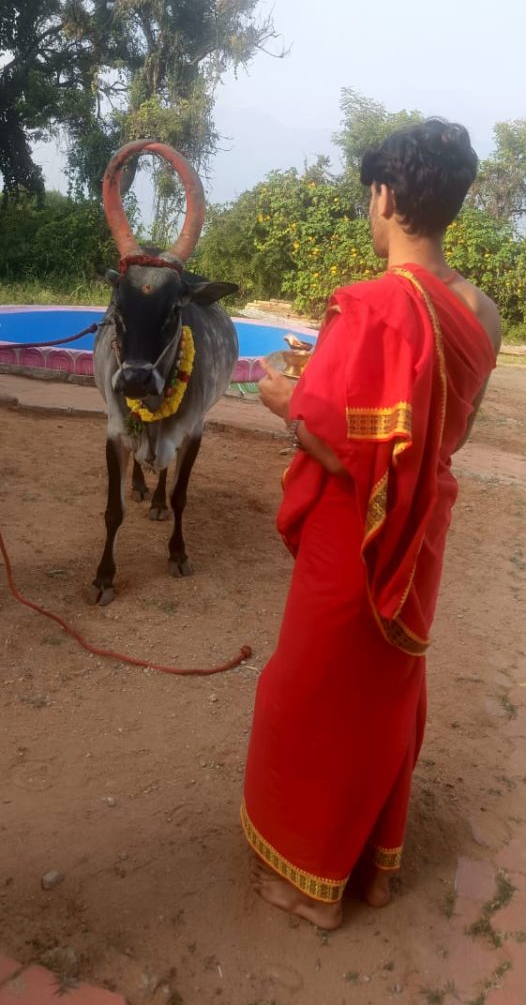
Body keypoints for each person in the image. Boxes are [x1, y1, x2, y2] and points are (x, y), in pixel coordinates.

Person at [241, 118, 501, 930]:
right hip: (420, 528)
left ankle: (310, 887)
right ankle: (372, 871)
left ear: (385, 197)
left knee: (307, 693)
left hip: (348, 530)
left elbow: (334, 443)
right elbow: (444, 436)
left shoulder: (366, 305)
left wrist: (286, 404)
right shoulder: (483, 312)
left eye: (370, 196)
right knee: (384, 691)